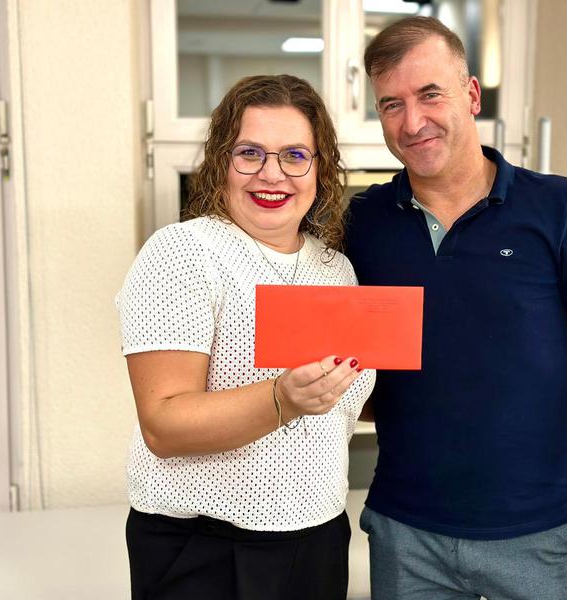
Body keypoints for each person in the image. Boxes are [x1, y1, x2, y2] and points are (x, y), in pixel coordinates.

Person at [345, 17, 567, 600]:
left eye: (430, 94)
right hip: (406, 534)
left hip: (539, 536)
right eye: (391, 104)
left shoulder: (560, 209)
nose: (412, 122)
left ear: (472, 95)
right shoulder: (363, 222)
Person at [117, 74, 375, 600]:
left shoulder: (337, 270)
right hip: (204, 546)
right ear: (222, 162)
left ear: (320, 168)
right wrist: (282, 399)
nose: (271, 173)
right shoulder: (182, 253)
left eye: (295, 155)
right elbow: (163, 425)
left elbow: (340, 410)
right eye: (250, 153)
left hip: (319, 538)